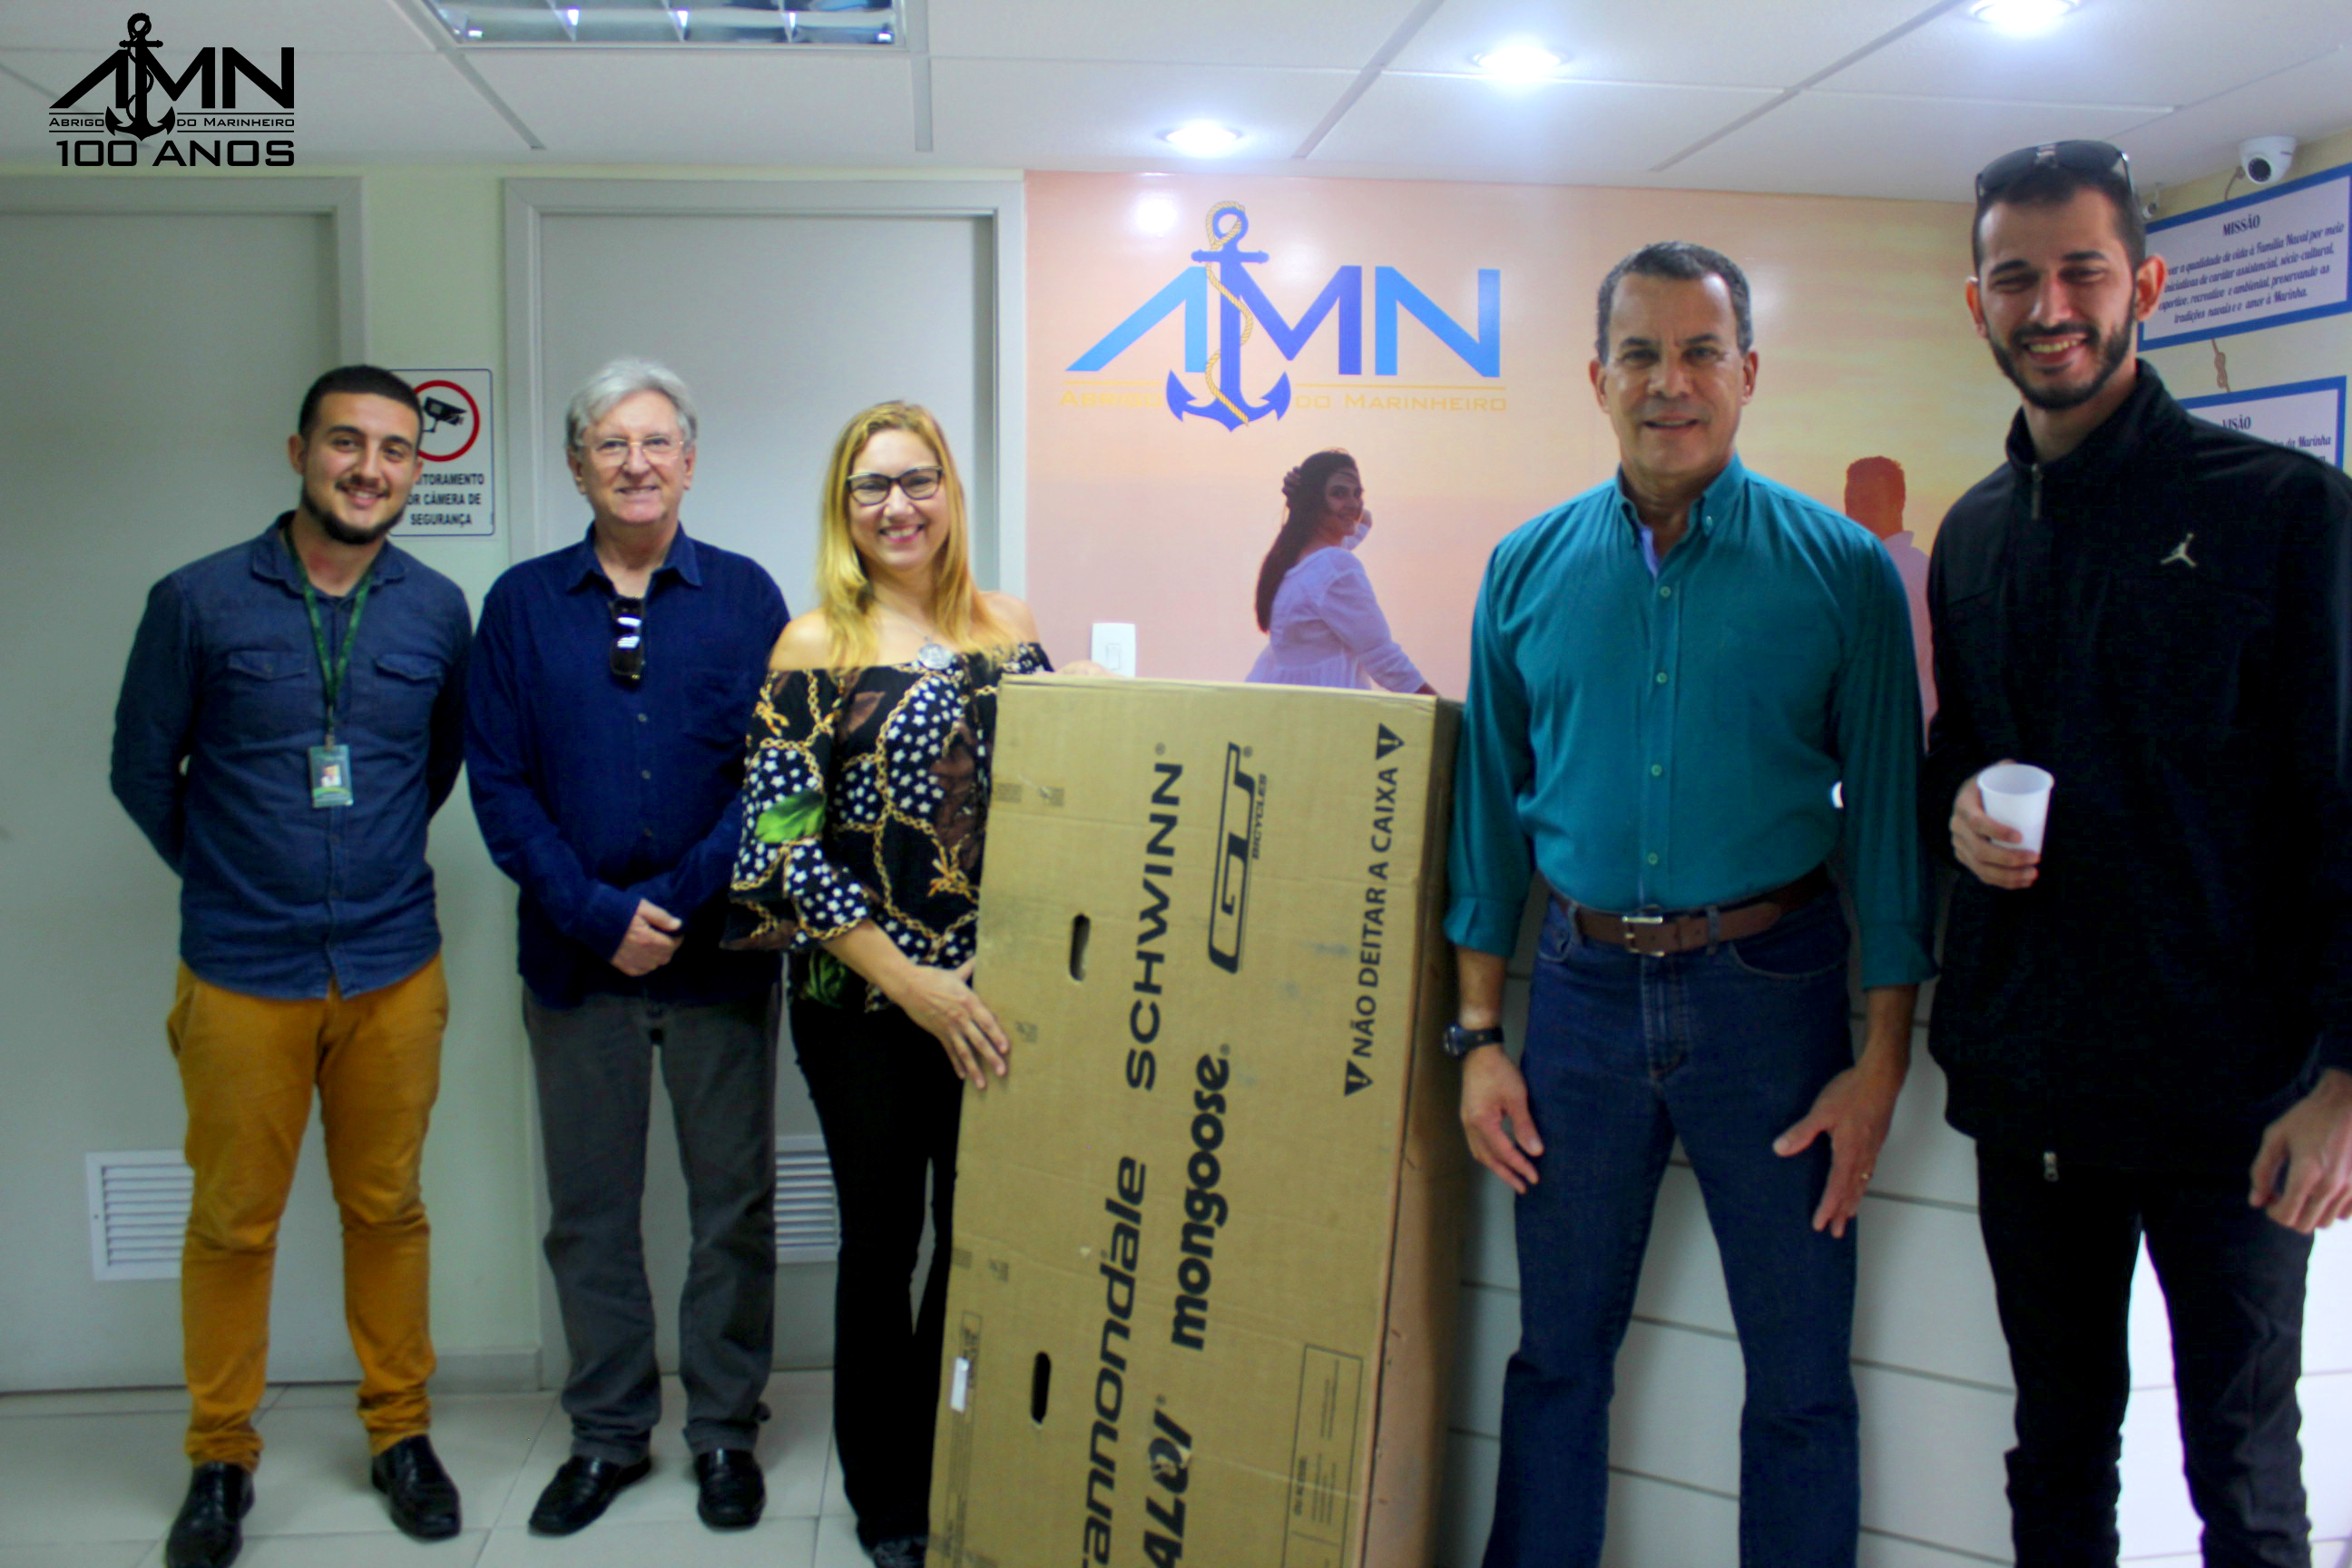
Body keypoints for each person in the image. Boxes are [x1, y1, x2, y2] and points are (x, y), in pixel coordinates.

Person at [1447, 241, 1935, 1568]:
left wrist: (1882, 1064)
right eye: (1643, 355)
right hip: (1581, 1003)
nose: (1671, 382)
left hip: (1773, 1002)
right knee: (1556, 1360)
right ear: (1597, 377)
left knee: (1799, 1375)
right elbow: (1488, 819)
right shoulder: (1524, 569)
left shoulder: (1842, 571)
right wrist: (1479, 1038)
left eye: (1701, 352)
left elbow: (1890, 837)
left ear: (1748, 372)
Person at [1927, 140, 2352, 1566]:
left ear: (2146, 287)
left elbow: (2348, 798)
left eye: (2082, 272)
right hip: (2035, 1092)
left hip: (2237, 1102)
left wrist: (2346, 1079)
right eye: (2015, 278)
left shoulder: (2283, 513)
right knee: (2056, 1453)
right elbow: (1956, 754)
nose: (2049, 307)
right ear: (1976, 302)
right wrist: (1957, 810)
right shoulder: (1975, 536)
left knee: (2242, 1470)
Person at [110, 366, 473, 1568]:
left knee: (389, 1210)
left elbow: (433, 769)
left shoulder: (437, 611)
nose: (370, 468)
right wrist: (232, 871)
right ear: (299, 452)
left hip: (391, 965)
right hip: (240, 971)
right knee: (232, 1222)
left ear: (416, 469)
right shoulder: (198, 601)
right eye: (346, 443)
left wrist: (354, 867)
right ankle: (220, 1456)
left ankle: (400, 1434)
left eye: (395, 450)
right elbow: (139, 770)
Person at [728, 400, 1094, 1568]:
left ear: (950, 494)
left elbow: (1051, 795)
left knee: (978, 1237)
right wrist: (917, 986)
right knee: (884, 1244)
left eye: (918, 480)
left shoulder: (1007, 626)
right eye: (872, 487)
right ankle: (886, 1495)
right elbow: (780, 851)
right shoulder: (812, 646)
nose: (899, 506)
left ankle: (952, 1458)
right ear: (844, 509)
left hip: (996, 999)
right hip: (865, 1013)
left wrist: (1091, 703)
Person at [466, 358, 790, 1535]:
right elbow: (497, 784)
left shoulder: (748, 598)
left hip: (720, 964)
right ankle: (607, 1435)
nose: (636, 463)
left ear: (690, 462)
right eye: (611, 443)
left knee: (732, 1208)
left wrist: (676, 903)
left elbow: (779, 783)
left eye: (657, 442)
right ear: (576, 466)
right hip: (576, 966)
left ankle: (724, 1432)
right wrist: (598, 915)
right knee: (590, 1214)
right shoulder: (519, 606)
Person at [1245, 448, 1436, 693]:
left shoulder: (1293, 560)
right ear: (1313, 500)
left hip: (1286, 706)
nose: (1354, 504)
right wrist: (1443, 711)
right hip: (1327, 710)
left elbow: (1363, 521)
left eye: (1357, 494)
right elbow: (1383, 659)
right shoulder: (1335, 566)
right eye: (1338, 493)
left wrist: (1301, 499)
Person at [1842, 456, 1935, 722]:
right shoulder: (1920, 566)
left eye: (1870, 503)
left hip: (1900, 736)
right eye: (1850, 504)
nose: (1857, 515)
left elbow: (1881, 682)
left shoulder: (1893, 578)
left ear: (1899, 503)